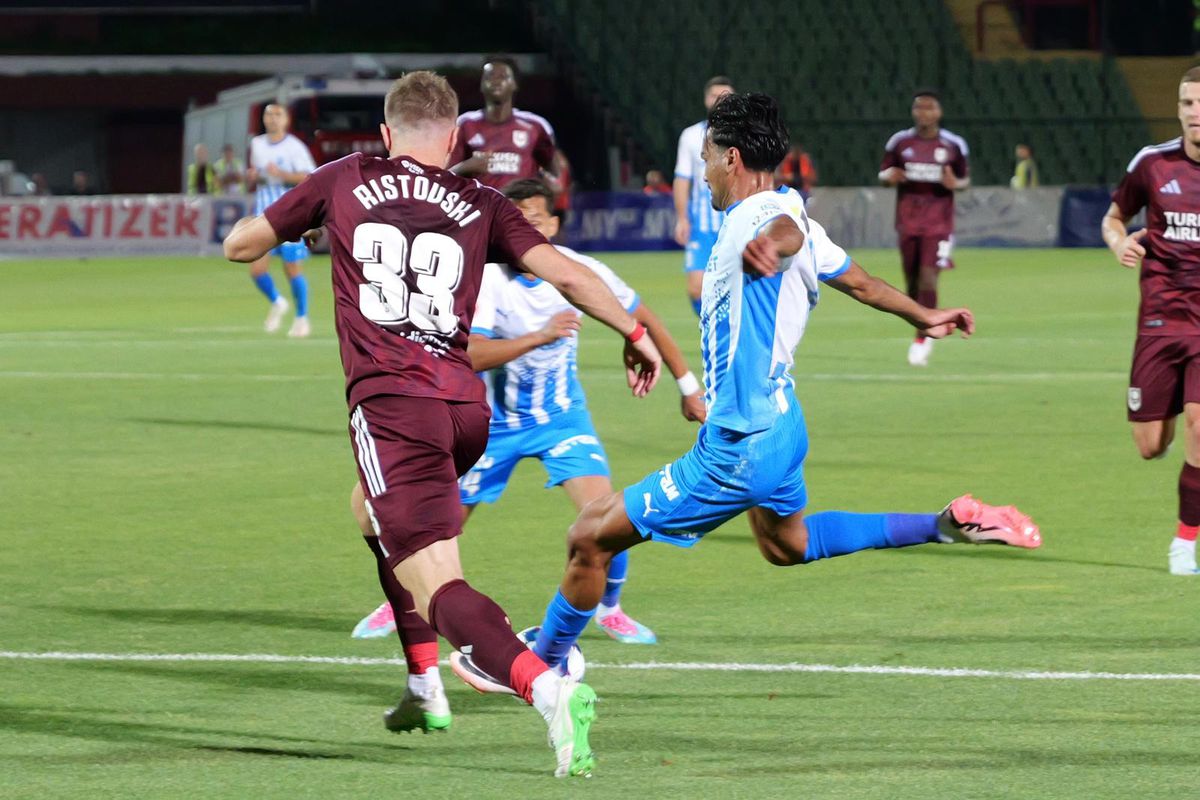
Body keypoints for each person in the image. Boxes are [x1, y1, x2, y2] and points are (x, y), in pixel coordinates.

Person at [444, 92, 1038, 690]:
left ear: (731, 158)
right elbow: (859, 282)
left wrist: (773, 248)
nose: (702, 173)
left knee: (588, 536)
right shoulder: (792, 205)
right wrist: (922, 315)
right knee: (787, 544)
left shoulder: (764, 220)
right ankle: (943, 525)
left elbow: (783, 236)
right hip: (783, 424)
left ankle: (543, 663)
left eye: (705, 159)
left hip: (739, 445)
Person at [223, 70, 664, 777]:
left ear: (387, 134)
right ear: (455, 136)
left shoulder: (343, 178)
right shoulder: (481, 199)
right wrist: (634, 332)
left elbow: (241, 247)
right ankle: (424, 686)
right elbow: (570, 275)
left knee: (438, 587)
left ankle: (548, 691)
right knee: (368, 510)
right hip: (465, 410)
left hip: (394, 409)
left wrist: (303, 222)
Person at [352, 177, 705, 654]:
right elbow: (468, 353)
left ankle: (610, 608)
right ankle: (401, 601)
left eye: (535, 219)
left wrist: (688, 387)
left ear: (554, 224)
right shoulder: (485, 278)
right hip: (491, 425)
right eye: (516, 221)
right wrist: (539, 336)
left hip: (561, 419)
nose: (525, 229)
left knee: (607, 515)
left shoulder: (579, 270)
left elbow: (645, 320)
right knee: (431, 522)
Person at [1102, 66, 1200, 575]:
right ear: (1179, 109)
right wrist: (1120, 243)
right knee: (1150, 446)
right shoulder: (1153, 164)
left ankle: (1185, 542)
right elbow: (1114, 217)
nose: (1195, 114)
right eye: (1187, 104)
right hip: (1159, 322)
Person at [879, 89, 970, 367]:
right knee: (912, 283)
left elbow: (964, 180)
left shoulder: (953, 145)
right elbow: (884, 174)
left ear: (939, 112)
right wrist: (889, 177)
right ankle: (923, 321)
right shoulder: (900, 142)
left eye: (930, 108)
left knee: (929, 278)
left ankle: (923, 337)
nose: (924, 113)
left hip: (939, 222)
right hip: (908, 220)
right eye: (919, 108)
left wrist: (956, 183)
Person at [246, 104, 317, 338]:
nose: (272, 119)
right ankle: (278, 301)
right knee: (256, 269)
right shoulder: (257, 144)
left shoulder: (295, 147)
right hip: (262, 215)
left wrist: (283, 175)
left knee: (292, 269)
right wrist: (254, 176)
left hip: (289, 216)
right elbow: (258, 177)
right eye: (268, 114)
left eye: (278, 115)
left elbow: (309, 177)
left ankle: (301, 318)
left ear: (286, 120)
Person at [449, 56, 558, 192]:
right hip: (480, 209)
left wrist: (546, 185)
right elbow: (446, 176)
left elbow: (555, 176)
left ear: (515, 84)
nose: (496, 81)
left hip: (520, 211)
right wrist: (467, 166)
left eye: (503, 76)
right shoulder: (465, 124)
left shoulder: (536, 125)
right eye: (490, 76)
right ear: (482, 84)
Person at [674, 76, 735, 316]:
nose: (720, 101)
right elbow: (682, 179)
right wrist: (681, 218)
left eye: (726, 96)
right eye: (714, 95)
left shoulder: (742, 135)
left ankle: (731, 331)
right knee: (696, 288)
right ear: (706, 99)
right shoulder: (690, 136)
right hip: (701, 224)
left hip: (734, 220)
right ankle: (712, 327)